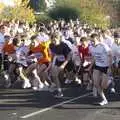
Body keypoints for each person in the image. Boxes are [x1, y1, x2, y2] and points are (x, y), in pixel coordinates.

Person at [89, 33, 112, 106]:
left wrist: (109, 67)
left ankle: (110, 80)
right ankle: (104, 99)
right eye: (91, 41)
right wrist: (90, 66)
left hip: (105, 66)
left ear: (98, 40)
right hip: (97, 66)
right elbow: (93, 57)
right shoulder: (91, 47)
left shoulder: (103, 46)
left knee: (103, 86)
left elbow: (110, 55)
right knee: (96, 84)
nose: (92, 42)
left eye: (94, 41)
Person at [49, 33, 72, 97]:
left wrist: (63, 65)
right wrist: (51, 63)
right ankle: (59, 91)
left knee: (67, 77)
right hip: (58, 61)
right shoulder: (51, 45)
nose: (54, 42)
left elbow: (69, 56)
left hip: (67, 62)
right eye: (52, 40)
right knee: (54, 75)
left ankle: (60, 84)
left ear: (59, 39)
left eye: (55, 40)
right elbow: (53, 54)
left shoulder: (64, 45)